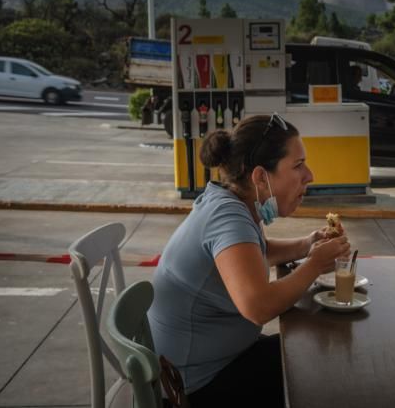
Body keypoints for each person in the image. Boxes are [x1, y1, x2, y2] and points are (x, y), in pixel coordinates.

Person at [149, 113, 350, 408]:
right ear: (260, 177)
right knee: (317, 369)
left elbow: (255, 252)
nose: (309, 176)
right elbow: (258, 306)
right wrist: (315, 265)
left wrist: (307, 245)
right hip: (193, 389)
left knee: (309, 352)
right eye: (297, 165)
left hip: (207, 364)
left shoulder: (230, 203)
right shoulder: (228, 217)